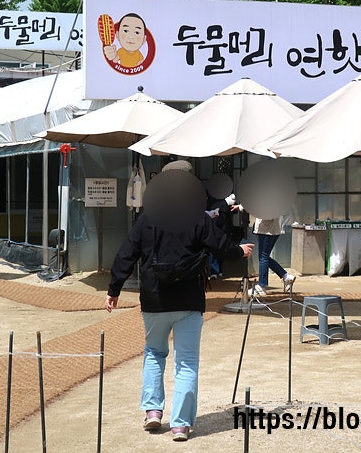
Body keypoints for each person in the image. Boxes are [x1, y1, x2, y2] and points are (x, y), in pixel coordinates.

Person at [104, 161, 254, 442]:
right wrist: (240, 251)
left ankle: (153, 411)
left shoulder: (147, 217)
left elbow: (126, 253)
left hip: (154, 298)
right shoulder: (196, 217)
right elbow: (221, 245)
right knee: (186, 362)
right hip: (188, 299)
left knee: (154, 352)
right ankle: (181, 425)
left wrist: (114, 289)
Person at [249, 217, 295, 297]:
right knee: (264, 257)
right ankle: (285, 276)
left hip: (266, 228)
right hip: (274, 227)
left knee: (263, 257)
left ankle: (262, 285)